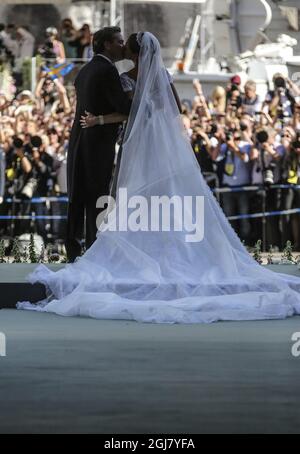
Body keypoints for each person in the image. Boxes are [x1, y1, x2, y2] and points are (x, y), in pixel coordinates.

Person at [18, 32, 300, 324]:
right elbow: (134, 109)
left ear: (132, 51)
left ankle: (156, 253)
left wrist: (103, 119)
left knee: (153, 196)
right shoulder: (122, 72)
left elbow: (155, 108)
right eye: (117, 41)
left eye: (124, 43)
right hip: (136, 142)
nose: (121, 44)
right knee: (137, 199)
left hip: (151, 141)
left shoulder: (142, 74)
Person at [65, 26, 132, 262]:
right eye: (119, 41)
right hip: (97, 145)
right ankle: (95, 254)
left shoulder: (85, 70)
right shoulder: (107, 71)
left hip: (78, 142)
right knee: (97, 197)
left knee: (78, 196)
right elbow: (126, 109)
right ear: (107, 44)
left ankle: (73, 252)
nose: (123, 46)